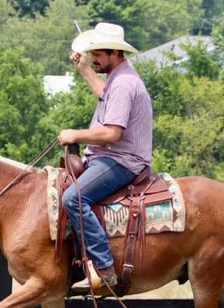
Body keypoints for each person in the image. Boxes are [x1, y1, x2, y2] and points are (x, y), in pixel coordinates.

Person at [58, 22, 153, 292]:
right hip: (111, 157)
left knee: (73, 198)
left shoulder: (123, 84)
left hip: (121, 160)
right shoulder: (119, 78)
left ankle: (104, 268)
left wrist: (75, 134)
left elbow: (112, 133)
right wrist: (84, 68)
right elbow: (104, 94)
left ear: (115, 53)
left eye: (98, 54)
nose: (93, 58)